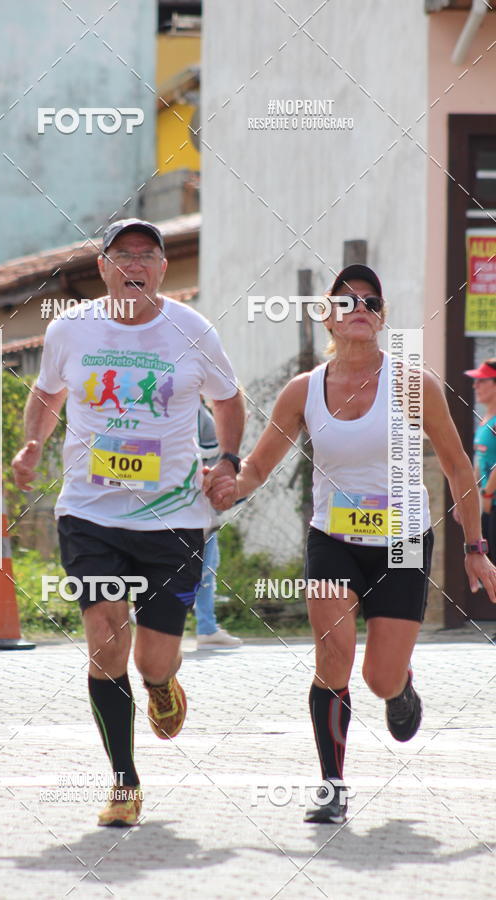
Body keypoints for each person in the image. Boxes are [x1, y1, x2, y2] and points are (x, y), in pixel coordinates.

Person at [205, 263, 496, 826]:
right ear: (327, 318)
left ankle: (401, 688)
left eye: (370, 301)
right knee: (333, 656)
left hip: (404, 541)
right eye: (346, 300)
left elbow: (460, 469)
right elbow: (259, 466)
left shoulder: (414, 384)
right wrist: (227, 485)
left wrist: (474, 548)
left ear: (382, 319)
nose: (358, 307)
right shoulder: (303, 391)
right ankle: (332, 784)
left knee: (379, 676)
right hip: (332, 539)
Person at [12, 218, 244, 827]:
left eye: (147, 254)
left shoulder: (192, 331)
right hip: (91, 512)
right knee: (106, 638)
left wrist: (226, 460)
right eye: (123, 255)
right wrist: (32, 444)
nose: (135, 263)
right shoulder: (71, 329)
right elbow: (46, 393)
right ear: (105, 268)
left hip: (173, 519)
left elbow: (229, 399)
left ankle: (163, 684)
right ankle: (123, 781)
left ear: (163, 268)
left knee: (152, 661)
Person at [194, 399, 242, 648]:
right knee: (204, 567)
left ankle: (207, 627)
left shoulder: (198, 410)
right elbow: (207, 458)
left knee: (207, 566)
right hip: (197, 506)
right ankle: (206, 627)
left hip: (199, 507)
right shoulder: (199, 412)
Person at [463, 359, 496, 562]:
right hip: (487, 507)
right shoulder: (486, 420)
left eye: (482, 381)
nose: (475, 386)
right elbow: (478, 463)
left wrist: (486, 494)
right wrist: (469, 499)